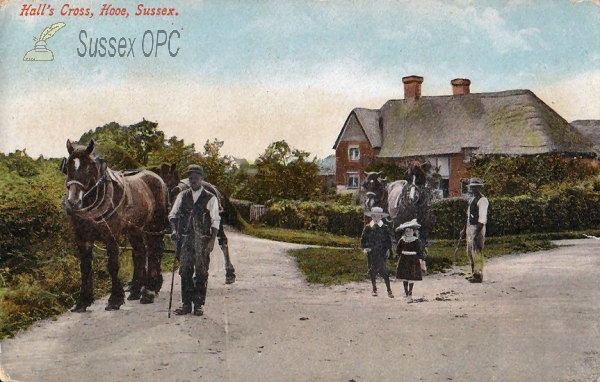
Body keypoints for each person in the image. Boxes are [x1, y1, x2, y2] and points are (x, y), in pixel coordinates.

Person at [169, 164, 220, 316]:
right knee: (185, 271)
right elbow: (173, 215)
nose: (193, 182)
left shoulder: (210, 198)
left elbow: (215, 220)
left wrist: (211, 241)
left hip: (202, 240)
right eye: (191, 179)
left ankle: (198, 305)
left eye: (196, 179)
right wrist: (174, 230)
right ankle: (186, 304)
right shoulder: (182, 196)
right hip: (185, 240)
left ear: (202, 179)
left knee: (201, 272)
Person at [360, 206, 394, 298]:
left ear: (381, 217)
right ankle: (374, 288)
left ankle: (389, 290)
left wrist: (388, 250)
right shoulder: (368, 227)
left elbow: (388, 240)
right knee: (372, 271)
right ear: (372, 217)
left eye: (378, 217)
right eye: (374, 216)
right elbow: (363, 240)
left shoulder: (384, 227)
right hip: (371, 252)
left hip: (381, 252)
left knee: (384, 271)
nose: (376, 219)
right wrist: (365, 248)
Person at [465, 177, 489, 283]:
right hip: (470, 227)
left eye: (475, 187)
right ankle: (473, 273)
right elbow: (468, 216)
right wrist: (464, 229)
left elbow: (482, 218)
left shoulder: (482, 200)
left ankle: (478, 274)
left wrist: (476, 232)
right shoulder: (472, 199)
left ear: (480, 188)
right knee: (470, 251)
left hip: (478, 227)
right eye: (472, 187)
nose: (473, 189)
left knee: (477, 251)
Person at [395, 219, 425, 298]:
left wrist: (420, 259)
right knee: (404, 275)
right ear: (404, 232)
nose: (408, 233)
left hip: (413, 259)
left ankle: (410, 292)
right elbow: (398, 249)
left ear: (413, 231)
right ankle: (406, 292)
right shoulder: (402, 240)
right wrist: (400, 256)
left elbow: (420, 251)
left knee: (411, 275)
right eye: (407, 231)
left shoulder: (416, 241)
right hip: (404, 259)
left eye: (410, 231)